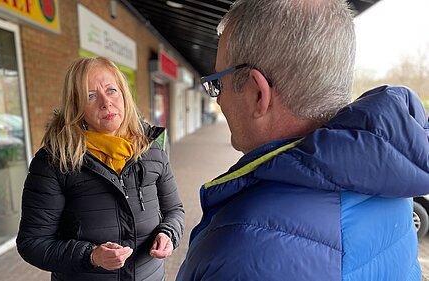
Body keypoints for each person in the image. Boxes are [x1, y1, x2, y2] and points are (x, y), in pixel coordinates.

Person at [177, 0, 429, 280]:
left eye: (218, 84)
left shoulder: (239, 250)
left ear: (257, 94)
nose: (220, 98)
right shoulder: (390, 180)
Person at [16, 57, 185, 281]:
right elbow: (33, 243)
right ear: (76, 106)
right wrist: (91, 256)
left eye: (111, 90)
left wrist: (168, 234)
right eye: (91, 96)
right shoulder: (55, 161)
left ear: (124, 94)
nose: (106, 102)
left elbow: (175, 211)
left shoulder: (151, 148)